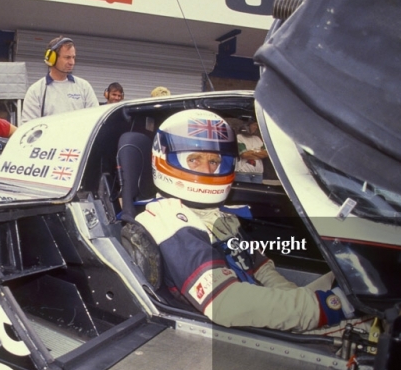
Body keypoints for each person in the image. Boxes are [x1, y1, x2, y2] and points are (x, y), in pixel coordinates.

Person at [134, 109, 353, 331]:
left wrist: (299, 302)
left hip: (258, 308)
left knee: (354, 281)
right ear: (164, 159)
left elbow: (259, 267)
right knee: (357, 306)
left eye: (214, 161)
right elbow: (226, 303)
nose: (207, 170)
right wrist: (326, 308)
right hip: (234, 323)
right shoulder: (168, 220)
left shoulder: (218, 214)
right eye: (194, 159)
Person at [21, 36, 98, 124]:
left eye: (73, 57)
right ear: (52, 59)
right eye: (67, 57)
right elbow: (28, 127)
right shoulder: (36, 91)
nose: (72, 62)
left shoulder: (84, 87)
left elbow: (95, 120)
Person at [232, 118, 268, 184]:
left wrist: (251, 152)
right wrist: (258, 152)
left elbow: (266, 154)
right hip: (243, 173)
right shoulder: (239, 137)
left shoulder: (257, 138)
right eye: (254, 125)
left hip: (258, 174)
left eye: (257, 125)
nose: (256, 127)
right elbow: (244, 155)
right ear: (247, 125)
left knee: (257, 193)